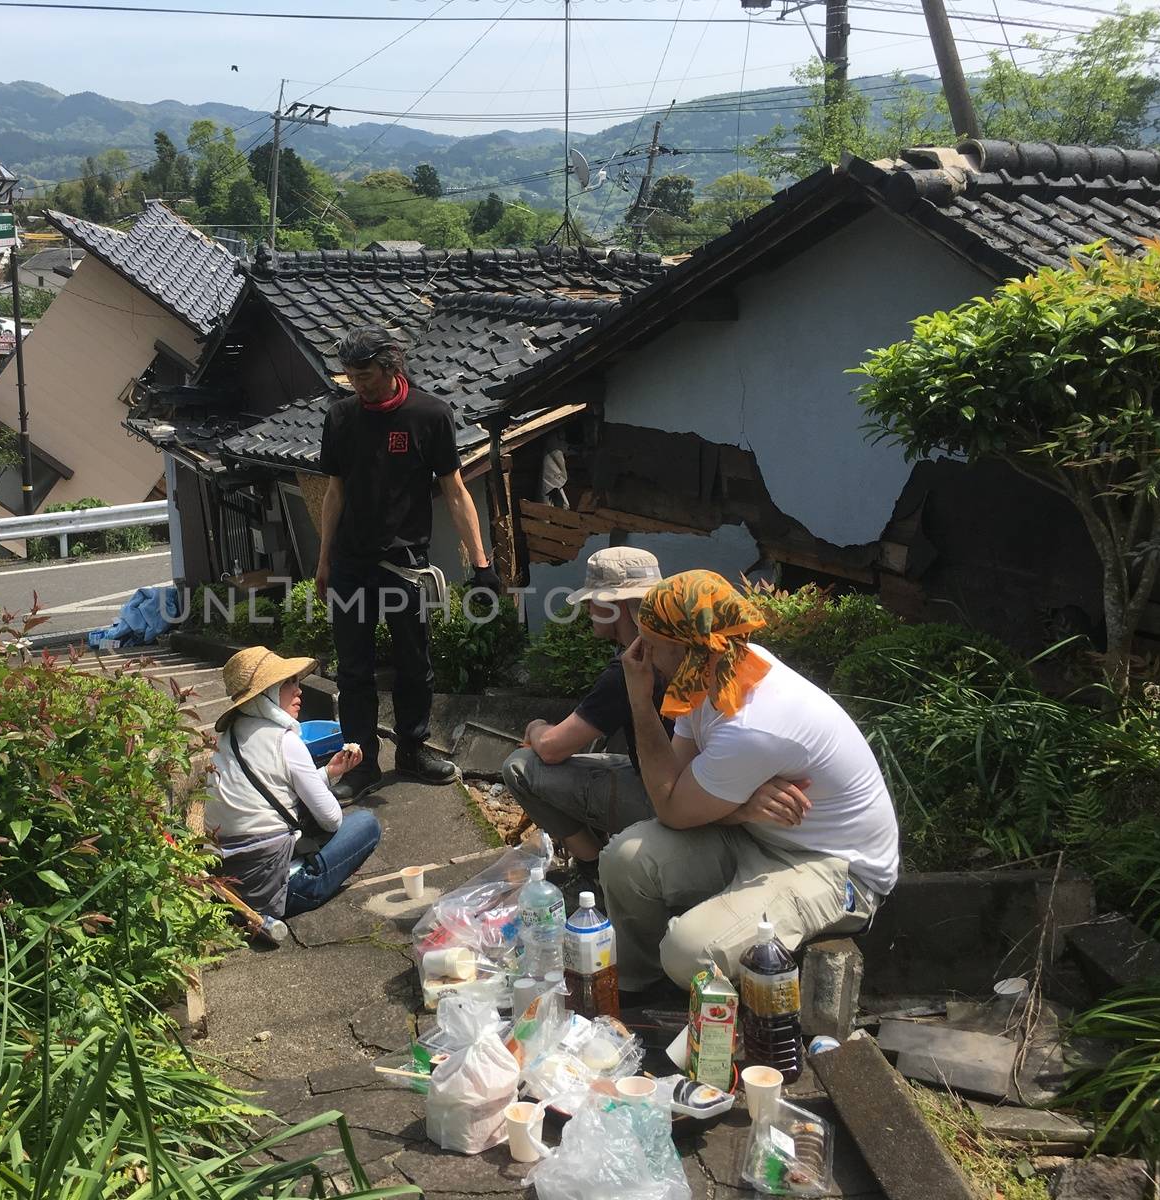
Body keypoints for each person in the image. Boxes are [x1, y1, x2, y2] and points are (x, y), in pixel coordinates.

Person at [602, 570, 900, 996]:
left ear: (691, 646)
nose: (640, 652)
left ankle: (704, 994)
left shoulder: (753, 726)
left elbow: (671, 805)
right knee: (625, 860)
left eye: (652, 642)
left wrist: (638, 699)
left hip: (832, 868)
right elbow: (672, 795)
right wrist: (739, 807)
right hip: (755, 832)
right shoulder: (713, 669)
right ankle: (644, 991)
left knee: (690, 951)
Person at [316, 324, 500, 800]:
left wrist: (480, 563)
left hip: (406, 565)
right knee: (353, 670)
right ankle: (361, 765)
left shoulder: (430, 415)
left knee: (413, 663)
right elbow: (333, 494)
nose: (359, 385)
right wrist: (323, 561)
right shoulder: (340, 419)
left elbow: (456, 492)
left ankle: (413, 750)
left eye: (367, 376)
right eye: (351, 377)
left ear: (391, 366)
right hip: (351, 564)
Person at [502, 547, 668, 873]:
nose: (589, 608)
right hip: (681, 785)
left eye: (593, 600)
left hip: (660, 800)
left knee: (519, 766)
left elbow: (551, 750)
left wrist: (535, 726)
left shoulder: (628, 668)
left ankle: (592, 868)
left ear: (613, 604)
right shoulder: (666, 648)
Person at [205, 646, 383, 941]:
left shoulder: (224, 742)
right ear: (267, 694)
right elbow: (331, 819)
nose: (298, 691)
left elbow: (272, 792)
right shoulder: (285, 740)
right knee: (366, 823)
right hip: (277, 889)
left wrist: (329, 773)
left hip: (232, 885)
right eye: (288, 683)